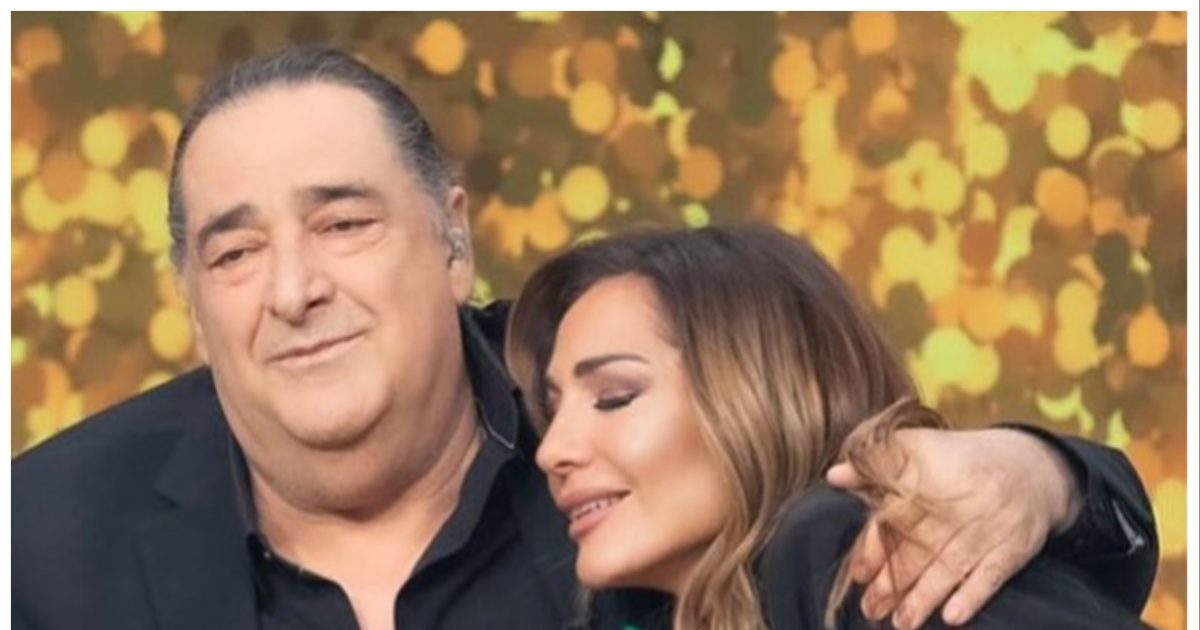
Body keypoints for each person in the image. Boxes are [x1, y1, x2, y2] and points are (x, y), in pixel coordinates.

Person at [11, 46, 1156, 630]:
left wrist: (1042, 473)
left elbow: (862, 472)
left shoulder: (624, 437)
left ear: (451, 240)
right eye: (235, 252)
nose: (294, 288)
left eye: (344, 223)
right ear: (191, 302)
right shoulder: (42, 539)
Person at [505, 225, 1152, 630]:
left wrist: (1047, 474)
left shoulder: (850, 553)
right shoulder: (640, 611)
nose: (553, 450)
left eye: (614, 397)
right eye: (554, 410)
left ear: (759, 394)